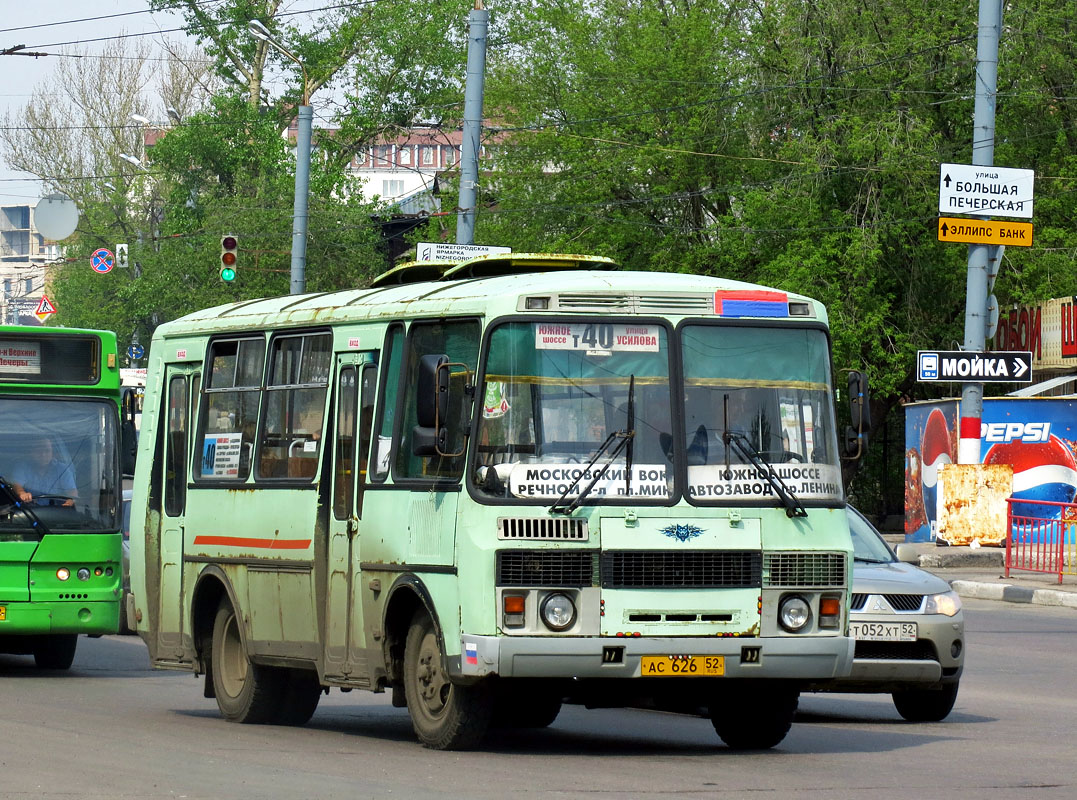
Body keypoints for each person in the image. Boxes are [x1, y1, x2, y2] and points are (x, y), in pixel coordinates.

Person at [9, 435, 77, 507]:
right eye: (39, 451)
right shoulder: (23, 467)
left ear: (52, 453)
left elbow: (72, 491)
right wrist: (22, 493)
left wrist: (71, 500)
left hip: (58, 511)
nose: (43, 455)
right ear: (31, 452)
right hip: (30, 512)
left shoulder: (62, 469)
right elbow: (16, 484)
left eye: (47, 451)